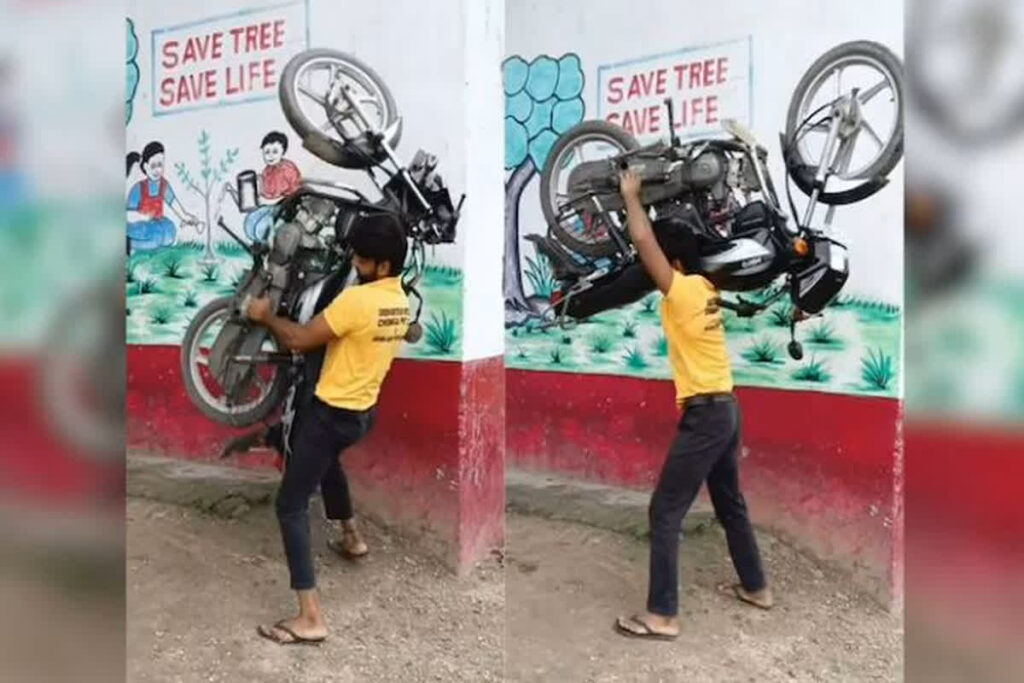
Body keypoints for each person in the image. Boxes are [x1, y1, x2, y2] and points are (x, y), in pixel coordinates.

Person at [613, 170, 772, 642]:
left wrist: (631, 197)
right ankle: (756, 587)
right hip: (727, 408)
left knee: (664, 511)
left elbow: (643, 241)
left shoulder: (682, 290)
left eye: (666, 259)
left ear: (675, 260)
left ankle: (662, 615)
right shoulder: (709, 290)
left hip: (706, 414)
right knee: (731, 504)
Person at [245, 213, 410, 645]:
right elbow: (409, 329)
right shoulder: (399, 300)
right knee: (326, 460)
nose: (353, 261)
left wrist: (265, 317)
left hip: (331, 413)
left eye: (361, 257)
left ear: (383, 266)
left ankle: (310, 617)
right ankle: (352, 537)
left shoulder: (356, 303)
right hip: (362, 415)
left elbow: (299, 339)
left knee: (290, 505)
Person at [226, 130, 303, 243]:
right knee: (251, 221)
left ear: (283, 151)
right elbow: (264, 192)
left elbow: (289, 194)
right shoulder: (267, 171)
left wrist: (265, 201)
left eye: (275, 151)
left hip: (287, 207)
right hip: (271, 206)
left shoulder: (288, 170)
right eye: (267, 152)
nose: (270, 156)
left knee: (263, 227)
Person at [126, 141, 198, 252]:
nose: (157, 170)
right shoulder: (138, 188)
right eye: (153, 166)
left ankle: (148, 243)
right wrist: (144, 217)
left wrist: (188, 218)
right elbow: (128, 215)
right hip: (139, 225)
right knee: (156, 236)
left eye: (160, 165)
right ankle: (130, 244)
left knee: (170, 232)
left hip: (157, 223)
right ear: (145, 166)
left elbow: (176, 206)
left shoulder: (164, 185)